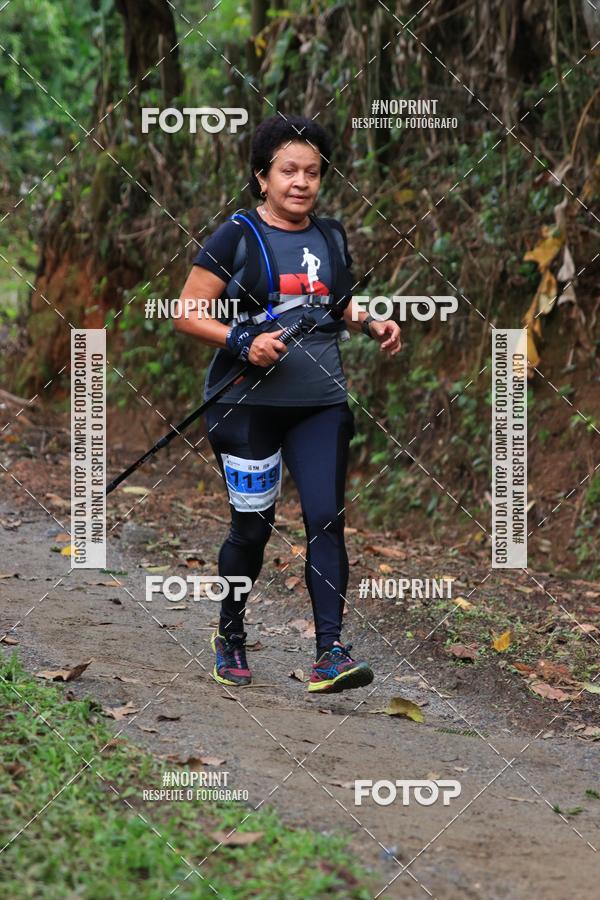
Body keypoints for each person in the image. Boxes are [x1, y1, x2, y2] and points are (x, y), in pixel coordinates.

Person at [175, 114, 401, 693]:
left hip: (320, 404)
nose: (301, 182)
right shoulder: (236, 235)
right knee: (252, 530)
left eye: (312, 172)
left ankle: (330, 653)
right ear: (262, 177)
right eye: (288, 171)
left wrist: (371, 322)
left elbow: (336, 301)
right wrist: (241, 341)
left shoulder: (330, 236)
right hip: (245, 406)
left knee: (326, 519)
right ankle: (230, 633)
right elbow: (188, 313)